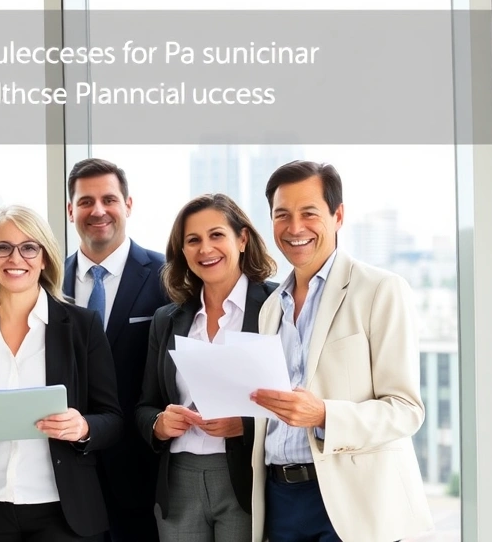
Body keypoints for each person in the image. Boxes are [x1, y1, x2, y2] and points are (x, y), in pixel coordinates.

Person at [248, 161, 433, 542]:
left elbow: (406, 409)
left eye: (309, 213)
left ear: (338, 215)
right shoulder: (270, 308)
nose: (294, 228)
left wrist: (324, 414)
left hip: (354, 503)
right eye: (282, 215)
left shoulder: (380, 289)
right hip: (281, 500)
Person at [0, 205, 124, 542]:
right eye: (3, 247)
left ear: (45, 257)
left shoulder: (81, 327)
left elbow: (112, 419)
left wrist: (82, 427)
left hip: (63, 511)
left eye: (29, 247)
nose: (15, 258)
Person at [135, 194, 278, 542]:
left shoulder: (276, 307)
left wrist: (243, 425)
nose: (205, 249)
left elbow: (295, 401)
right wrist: (159, 423)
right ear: (182, 251)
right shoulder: (167, 319)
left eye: (216, 235)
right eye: (193, 240)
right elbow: (144, 405)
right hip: (179, 480)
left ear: (241, 240)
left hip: (246, 477)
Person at [62, 158, 168, 542]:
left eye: (109, 199)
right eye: (86, 201)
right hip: (65, 475)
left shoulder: (167, 277)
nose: (98, 210)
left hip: (142, 474)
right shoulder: (47, 284)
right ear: (70, 210)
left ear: (128, 205)